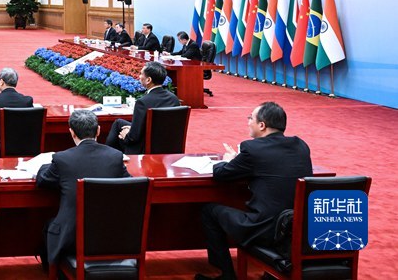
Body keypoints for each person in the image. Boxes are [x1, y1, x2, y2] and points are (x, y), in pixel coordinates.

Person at [196, 102, 312, 280]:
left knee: (209, 211)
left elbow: (221, 174)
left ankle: (226, 275)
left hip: (264, 229)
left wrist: (228, 160)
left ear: (262, 125)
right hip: (297, 229)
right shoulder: (301, 145)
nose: (248, 122)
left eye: (250, 118)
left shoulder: (252, 149)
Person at [36, 109, 130, 269]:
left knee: (49, 225)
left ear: (71, 132)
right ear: (98, 130)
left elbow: (43, 181)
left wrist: (46, 165)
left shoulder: (62, 159)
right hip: (113, 237)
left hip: (72, 240)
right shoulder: (115, 156)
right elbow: (130, 185)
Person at [105, 61, 179, 154]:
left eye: (141, 74)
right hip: (168, 144)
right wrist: (132, 129)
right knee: (119, 123)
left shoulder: (143, 102)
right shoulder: (174, 99)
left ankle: (107, 157)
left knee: (119, 129)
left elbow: (133, 138)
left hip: (145, 148)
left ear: (148, 80)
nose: (139, 77)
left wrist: (126, 135)